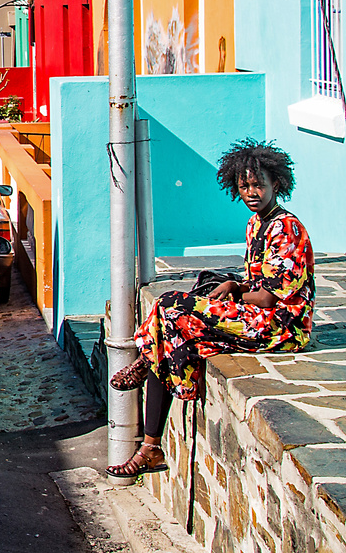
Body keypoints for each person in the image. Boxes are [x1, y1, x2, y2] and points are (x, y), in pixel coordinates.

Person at [106, 139, 314, 479]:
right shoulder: (256, 224)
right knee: (169, 325)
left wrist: (231, 295)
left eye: (258, 184)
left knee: (171, 309)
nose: (251, 192)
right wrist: (233, 285)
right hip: (260, 318)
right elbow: (257, 282)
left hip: (281, 327)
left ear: (275, 183)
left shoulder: (286, 228)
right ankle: (150, 445)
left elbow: (270, 298)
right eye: (244, 185)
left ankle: (149, 367)